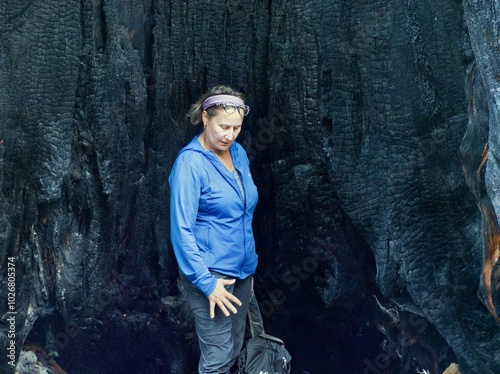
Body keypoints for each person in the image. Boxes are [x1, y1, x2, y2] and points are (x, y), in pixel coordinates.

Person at [169, 85, 259, 373]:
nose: (229, 135)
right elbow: (180, 230)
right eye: (223, 126)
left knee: (233, 345)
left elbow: (242, 212)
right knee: (218, 357)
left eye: (236, 128)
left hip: (242, 272)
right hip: (210, 276)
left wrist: (247, 269)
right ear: (205, 117)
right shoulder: (190, 164)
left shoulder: (239, 153)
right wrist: (207, 283)